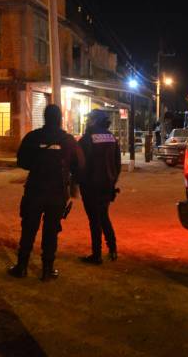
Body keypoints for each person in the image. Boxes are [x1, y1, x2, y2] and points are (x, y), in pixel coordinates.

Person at [8, 104, 84, 281]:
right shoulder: (68, 140)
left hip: (34, 190)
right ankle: (47, 270)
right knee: (51, 231)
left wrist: (38, 164)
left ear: (44, 118)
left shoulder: (33, 137)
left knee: (28, 229)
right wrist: (72, 182)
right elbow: (80, 165)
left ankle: (22, 267)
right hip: (57, 193)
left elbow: (22, 162)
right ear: (60, 119)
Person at [77, 109, 121, 264]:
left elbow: (80, 164)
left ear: (95, 120)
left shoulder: (87, 139)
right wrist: (112, 181)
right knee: (103, 216)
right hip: (107, 185)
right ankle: (113, 249)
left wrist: (79, 181)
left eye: (89, 118)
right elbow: (117, 164)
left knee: (94, 220)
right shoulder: (112, 138)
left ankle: (96, 255)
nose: (87, 121)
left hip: (91, 186)